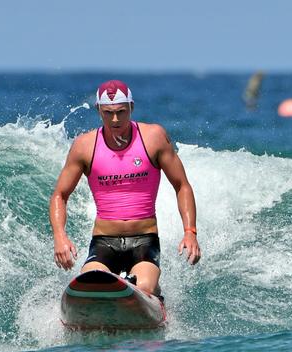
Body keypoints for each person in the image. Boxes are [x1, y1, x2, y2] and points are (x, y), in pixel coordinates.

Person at [49, 80, 201, 296]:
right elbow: (60, 195)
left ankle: (154, 294)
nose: (115, 119)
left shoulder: (153, 138)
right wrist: (60, 236)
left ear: (131, 107)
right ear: (99, 111)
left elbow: (181, 185)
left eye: (121, 111)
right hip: (104, 242)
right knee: (90, 283)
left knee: (144, 288)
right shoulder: (84, 146)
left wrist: (190, 232)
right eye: (108, 112)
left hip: (144, 240)